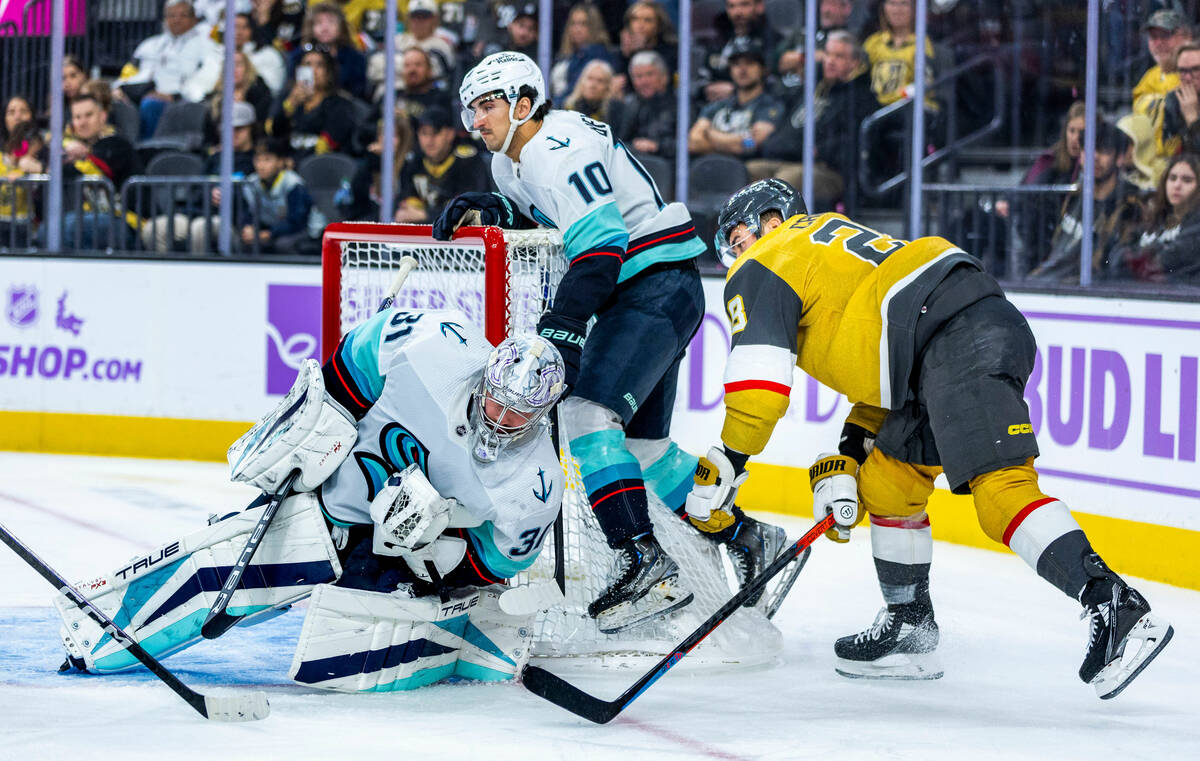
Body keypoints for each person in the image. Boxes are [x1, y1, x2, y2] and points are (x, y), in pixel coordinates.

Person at [694, 177, 1172, 698]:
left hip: (953, 340)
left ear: (772, 219)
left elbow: (758, 388)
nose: (733, 251)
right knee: (888, 484)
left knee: (1000, 491)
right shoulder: (825, 245)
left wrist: (730, 458)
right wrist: (851, 454)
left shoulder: (767, 260)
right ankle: (910, 626)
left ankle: (1113, 604)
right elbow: (883, 363)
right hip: (949, 337)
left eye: (739, 233)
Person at [430, 52, 787, 633]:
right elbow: (558, 220)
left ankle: (643, 563)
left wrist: (563, 331)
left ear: (524, 104)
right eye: (470, 108)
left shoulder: (554, 146)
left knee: (584, 417)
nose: (475, 120)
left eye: (487, 105)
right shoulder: (513, 161)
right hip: (652, 289)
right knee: (642, 453)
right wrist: (496, 210)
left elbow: (600, 245)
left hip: (651, 287)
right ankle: (747, 534)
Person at [55, 316, 568, 693]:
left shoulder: (538, 483)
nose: (501, 417)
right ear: (486, 375)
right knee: (226, 571)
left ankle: (451, 637)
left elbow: (496, 561)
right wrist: (319, 433)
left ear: (545, 411)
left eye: (520, 412)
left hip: (400, 556)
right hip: (331, 501)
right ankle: (97, 633)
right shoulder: (434, 346)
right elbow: (353, 362)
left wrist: (433, 544)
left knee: (341, 660)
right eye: (497, 398)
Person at [747, 30, 879, 209]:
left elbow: (849, 146)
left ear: (854, 62)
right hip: (788, 159)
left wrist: (818, 150)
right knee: (745, 172)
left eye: (839, 56)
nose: (830, 61)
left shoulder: (861, 99)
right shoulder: (811, 87)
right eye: (828, 54)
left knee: (783, 183)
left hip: (827, 171)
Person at [1029, 122, 1140, 283]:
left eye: (1103, 150)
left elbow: (1111, 270)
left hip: (1082, 292)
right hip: (1046, 282)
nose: (1094, 156)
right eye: (1088, 149)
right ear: (1080, 155)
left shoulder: (1129, 205)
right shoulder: (1073, 194)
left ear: (1120, 158)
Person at [48, 93, 143, 250]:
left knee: (68, 226)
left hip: (125, 220)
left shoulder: (117, 144)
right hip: (89, 217)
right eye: (77, 117)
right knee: (48, 229)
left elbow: (95, 168)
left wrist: (83, 155)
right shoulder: (73, 149)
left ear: (102, 116)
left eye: (88, 115)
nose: (82, 122)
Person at [114, 0, 220, 139]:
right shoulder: (150, 44)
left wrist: (174, 96)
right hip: (146, 93)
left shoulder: (206, 44)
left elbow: (208, 76)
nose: (177, 20)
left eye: (183, 15)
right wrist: (120, 88)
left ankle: (147, 149)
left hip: (182, 100)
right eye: (171, 15)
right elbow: (130, 73)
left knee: (150, 105)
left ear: (194, 19)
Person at [1109, 152, 1200, 284]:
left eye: (1187, 180)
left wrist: (1140, 255)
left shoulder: (1196, 227)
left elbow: (1168, 261)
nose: (1177, 185)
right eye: (1172, 178)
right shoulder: (1155, 219)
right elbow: (1116, 257)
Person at [687, 38, 783, 163]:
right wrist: (734, 144)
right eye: (736, 64)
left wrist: (710, 133)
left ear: (763, 69)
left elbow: (752, 145)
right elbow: (693, 143)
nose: (742, 69)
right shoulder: (717, 106)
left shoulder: (770, 106)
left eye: (749, 63)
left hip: (748, 173)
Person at [393, 106, 490, 223]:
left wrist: (426, 215)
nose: (429, 141)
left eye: (435, 133)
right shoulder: (413, 162)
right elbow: (403, 202)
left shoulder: (468, 161)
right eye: (424, 133)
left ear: (450, 134)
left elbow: (473, 210)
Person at [267, 46, 359, 158]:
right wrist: (291, 104)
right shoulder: (290, 101)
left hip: (321, 166)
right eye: (307, 65)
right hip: (288, 166)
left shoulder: (340, 105)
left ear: (329, 72)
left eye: (319, 65)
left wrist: (293, 162)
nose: (313, 71)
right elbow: (275, 134)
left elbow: (326, 146)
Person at [696, 0, 785, 104]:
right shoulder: (718, 41)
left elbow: (778, 84)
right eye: (731, 6)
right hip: (715, 109)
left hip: (761, 110)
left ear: (759, 6)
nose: (737, 12)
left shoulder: (774, 42)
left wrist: (736, 91)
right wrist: (705, 89)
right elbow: (699, 80)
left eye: (744, 4)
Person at [1132, 8, 1192, 159]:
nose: (1158, 43)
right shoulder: (1149, 78)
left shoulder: (1193, 78)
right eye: (1153, 37)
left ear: (1187, 37)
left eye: (1165, 36)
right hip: (1149, 168)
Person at [287, 3, 368, 100]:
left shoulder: (355, 58)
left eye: (331, 22)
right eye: (319, 23)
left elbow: (359, 93)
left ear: (341, 27)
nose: (325, 28)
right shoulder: (299, 56)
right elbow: (290, 89)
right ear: (311, 27)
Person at [609, 50, 677, 160]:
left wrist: (657, 146)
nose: (644, 81)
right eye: (638, 76)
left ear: (664, 77)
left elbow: (690, 145)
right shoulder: (630, 105)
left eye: (650, 74)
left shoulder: (681, 106)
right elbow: (618, 142)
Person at [549, 3, 619, 99]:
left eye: (583, 24)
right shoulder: (567, 54)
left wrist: (551, 106)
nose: (577, 29)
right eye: (573, 23)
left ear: (594, 27)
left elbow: (575, 88)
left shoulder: (597, 53)